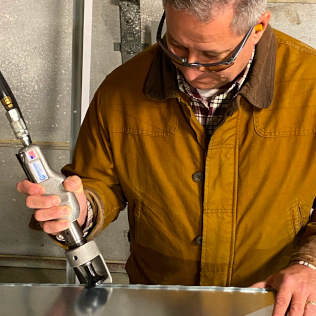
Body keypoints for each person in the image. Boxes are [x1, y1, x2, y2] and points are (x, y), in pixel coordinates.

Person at [17, 0, 316, 315]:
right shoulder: (121, 89)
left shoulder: (309, 85)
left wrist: (309, 263)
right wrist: (80, 209)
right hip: (157, 303)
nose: (189, 69)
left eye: (213, 57)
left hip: (273, 304)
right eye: (176, 45)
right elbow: (99, 181)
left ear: (258, 27)